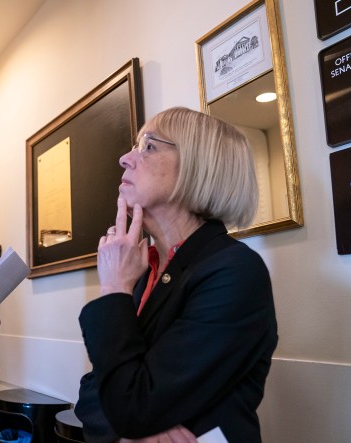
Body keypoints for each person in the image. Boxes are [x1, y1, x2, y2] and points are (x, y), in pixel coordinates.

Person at [76, 107, 278, 443]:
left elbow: (133, 405)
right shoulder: (143, 270)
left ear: (199, 167)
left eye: (149, 146)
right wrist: (128, 435)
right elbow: (93, 393)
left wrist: (112, 287)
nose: (125, 159)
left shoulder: (235, 271)